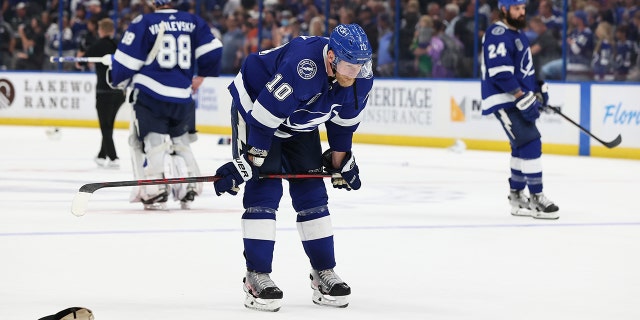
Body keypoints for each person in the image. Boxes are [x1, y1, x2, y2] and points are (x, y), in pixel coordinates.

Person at [212, 23, 373, 311]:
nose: (355, 72)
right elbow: (263, 118)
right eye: (350, 65)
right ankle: (256, 276)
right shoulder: (303, 66)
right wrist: (250, 162)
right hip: (257, 107)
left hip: (299, 118)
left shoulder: (362, 74)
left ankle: (323, 272)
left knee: (312, 194)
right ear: (332, 57)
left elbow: (342, 123)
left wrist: (340, 162)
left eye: (360, 65)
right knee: (264, 190)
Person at [108, 0, 223, 210]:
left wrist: (115, 77)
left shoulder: (144, 21)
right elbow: (213, 50)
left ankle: (155, 188)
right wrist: (202, 75)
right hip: (183, 94)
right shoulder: (193, 21)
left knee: (153, 140)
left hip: (151, 92)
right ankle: (189, 183)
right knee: (180, 140)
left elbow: (125, 61)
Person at [480, 0, 559, 220]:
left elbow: (521, 69)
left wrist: (536, 87)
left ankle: (516, 197)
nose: (521, 12)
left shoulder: (518, 34)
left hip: (515, 97)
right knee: (531, 141)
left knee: (520, 146)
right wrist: (521, 95)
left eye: (523, 8)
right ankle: (536, 197)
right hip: (504, 98)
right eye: (516, 8)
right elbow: (500, 72)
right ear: (504, 9)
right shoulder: (498, 33)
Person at [84, 18, 125, 168]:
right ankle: (102, 155)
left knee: (105, 127)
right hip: (119, 93)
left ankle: (113, 157)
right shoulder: (119, 46)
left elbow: (81, 62)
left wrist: (83, 53)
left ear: (100, 31)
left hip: (104, 92)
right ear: (112, 31)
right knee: (109, 125)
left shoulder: (97, 45)